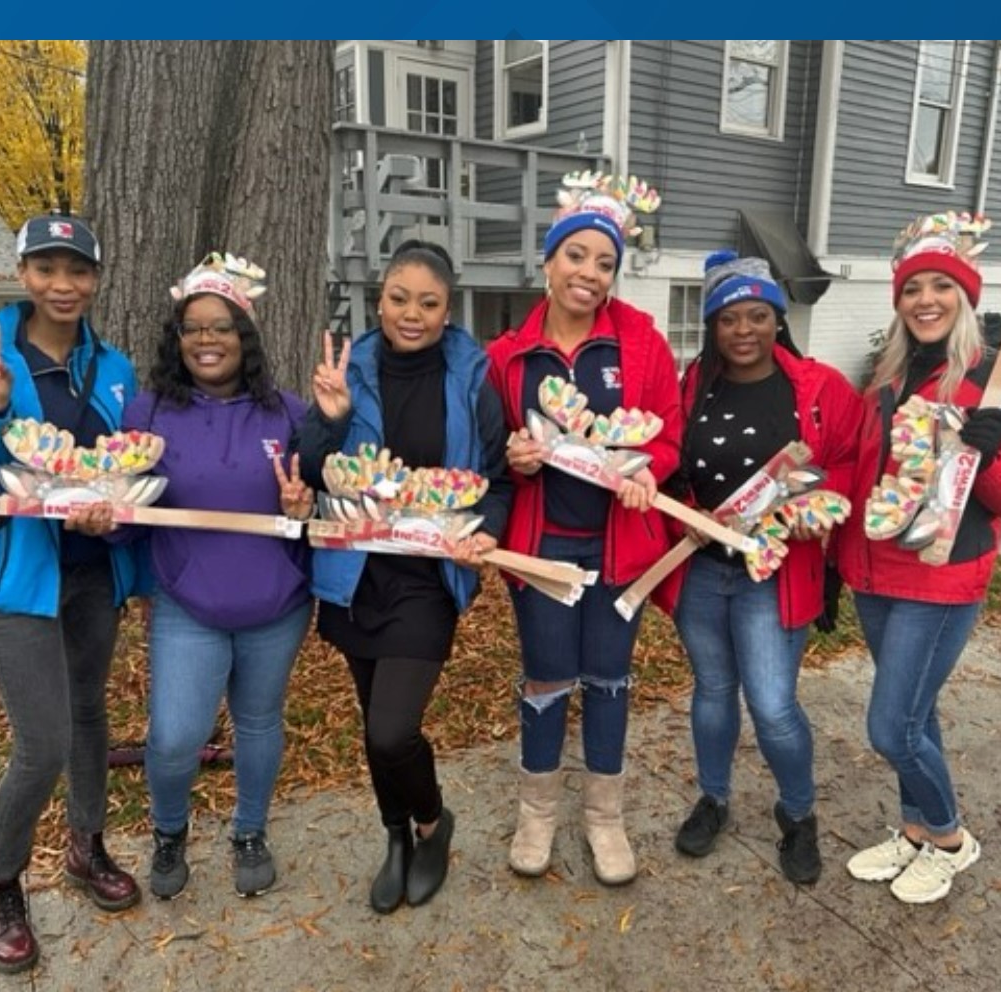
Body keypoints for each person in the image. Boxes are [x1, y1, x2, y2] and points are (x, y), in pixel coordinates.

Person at [0, 213, 146, 974]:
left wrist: (113, 511)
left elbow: (130, 474)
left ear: (95, 278)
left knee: (89, 718)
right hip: (16, 577)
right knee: (42, 741)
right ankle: (3, 880)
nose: (63, 284)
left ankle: (86, 847)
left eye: (77, 270)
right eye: (47, 268)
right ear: (23, 275)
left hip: (93, 573)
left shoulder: (112, 367)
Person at [838, 211, 1001, 904]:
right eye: (911, 288)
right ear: (898, 301)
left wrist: (985, 452)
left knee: (890, 726)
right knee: (916, 718)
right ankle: (916, 828)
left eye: (941, 286)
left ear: (965, 295)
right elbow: (867, 478)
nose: (925, 299)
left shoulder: (996, 378)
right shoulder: (886, 376)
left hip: (941, 576)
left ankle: (953, 838)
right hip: (874, 574)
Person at [297, 239, 512, 914]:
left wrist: (489, 530)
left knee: (393, 729)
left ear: (448, 311)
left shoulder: (472, 376)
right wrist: (329, 422)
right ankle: (395, 836)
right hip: (354, 573)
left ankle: (432, 824)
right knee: (373, 727)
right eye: (398, 299)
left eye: (428, 303)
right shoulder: (350, 367)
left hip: (427, 576)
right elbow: (311, 470)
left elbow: (498, 478)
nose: (410, 315)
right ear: (379, 298)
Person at [486, 173, 683, 887]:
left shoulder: (640, 345)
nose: (590, 274)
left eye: (605, 263)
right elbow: (494, 452)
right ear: (549, 261)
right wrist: (517, 457)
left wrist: (649, 469)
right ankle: (537, 811)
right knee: (546, 676)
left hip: (617, 545)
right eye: (578, 257)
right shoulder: (509, 355)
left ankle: (605, 817)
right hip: (543, 546)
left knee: (608, 678)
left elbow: (668, 435)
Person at [661, 251, 861, 885]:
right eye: (727, 319)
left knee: (773, 705)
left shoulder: (820, 388)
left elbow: (855, 460)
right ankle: (714, 798)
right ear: (713, 326)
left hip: (773, 572)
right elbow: (667, 465)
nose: (742, 331)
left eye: (756, 316)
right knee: (713, 691)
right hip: (701, 569)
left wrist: (821, 502)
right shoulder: (692, 384)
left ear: (778, 319)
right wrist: (683, 516)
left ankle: (798, 815)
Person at [124, 253, 314, 901]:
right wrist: (106, 515)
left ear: (246, 336)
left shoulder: (289, 414)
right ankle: (170, 830)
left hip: (278, 602)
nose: (207, 338)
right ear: (176, 341)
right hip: (187, 604)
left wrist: (303, 510)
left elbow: (323, 507)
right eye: (193, 327)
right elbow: (129, 522)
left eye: (222, 326)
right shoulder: (147, 414)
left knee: (259, 722)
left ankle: (250, 831)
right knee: (176, 736)